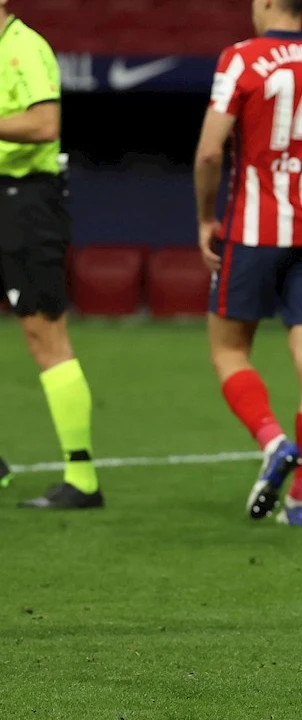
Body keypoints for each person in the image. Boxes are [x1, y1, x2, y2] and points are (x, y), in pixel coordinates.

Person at [194, 0, 302, 526]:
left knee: (228, 350)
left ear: (268, 3)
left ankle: (273, 443)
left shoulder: (241, 60)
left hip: (253, 229)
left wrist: (206, 219)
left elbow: (209, 152)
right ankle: (301, 502)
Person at [0, 2, 102, 509]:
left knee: (44, 334)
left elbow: (44, 124)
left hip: (27, 203)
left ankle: (81, 477)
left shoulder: (26, 48)